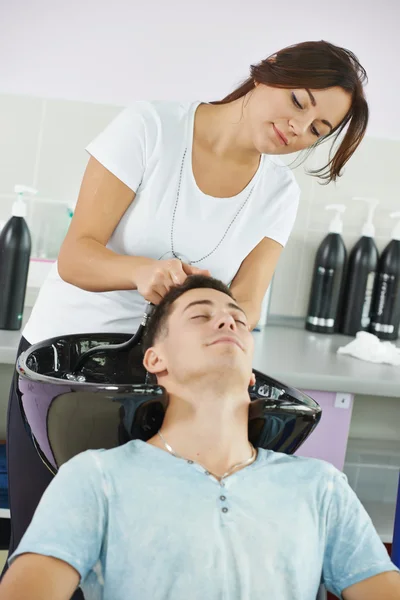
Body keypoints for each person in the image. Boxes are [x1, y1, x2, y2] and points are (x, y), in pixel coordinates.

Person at [3, 38, 369, 593]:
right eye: (298, 102)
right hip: (67, 374)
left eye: (319, 129)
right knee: (48, 538)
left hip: (166, 379)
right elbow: (78, 254)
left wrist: (211, 325)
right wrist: (139, 273)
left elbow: (247, 302)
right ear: (268, 73)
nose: (300, 128)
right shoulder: (152, 127)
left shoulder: (278, 193)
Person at [1, 274, 399, 600]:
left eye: (238, 319)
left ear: (251, 373)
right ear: (155, 359)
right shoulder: (97, 479)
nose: (227, 322)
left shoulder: (320, 488)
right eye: (199, 316)